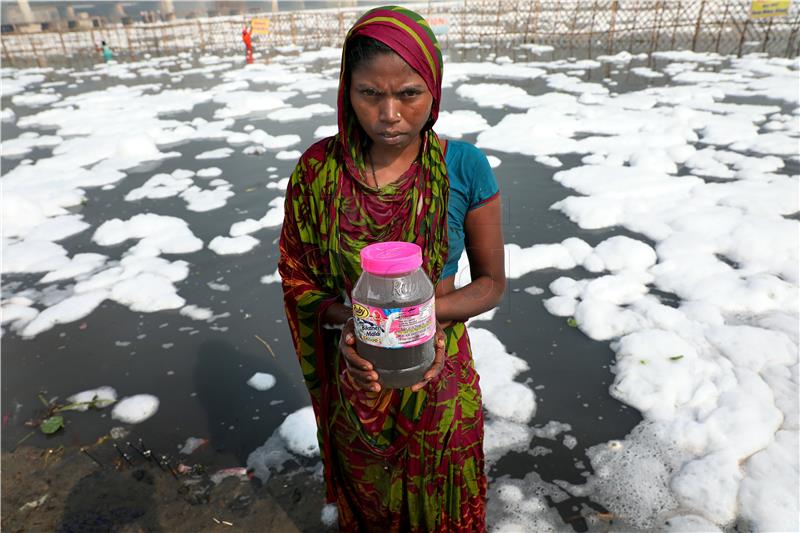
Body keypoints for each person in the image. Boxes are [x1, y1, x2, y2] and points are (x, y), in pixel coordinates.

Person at [278, 5, 505, 531]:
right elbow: (299, 282)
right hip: (357, 377)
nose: (389, 114)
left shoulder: (463, 166)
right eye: (369, 94)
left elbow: (491, 284)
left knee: (443, 505)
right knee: (374, 507)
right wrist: (357, 325)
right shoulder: (319, 171)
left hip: (440, 374)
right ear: (346, 90)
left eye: (408, 93)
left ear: (434, 90)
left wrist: (419, 320)